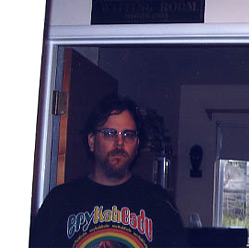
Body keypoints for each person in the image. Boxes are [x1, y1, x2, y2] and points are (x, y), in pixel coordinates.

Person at [30, 95, 186, 248]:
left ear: (137, 144)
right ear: (92, 141)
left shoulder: (159, 202)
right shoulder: (60, 201)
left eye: (128, 135)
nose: (120, 143)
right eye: (110, 133)